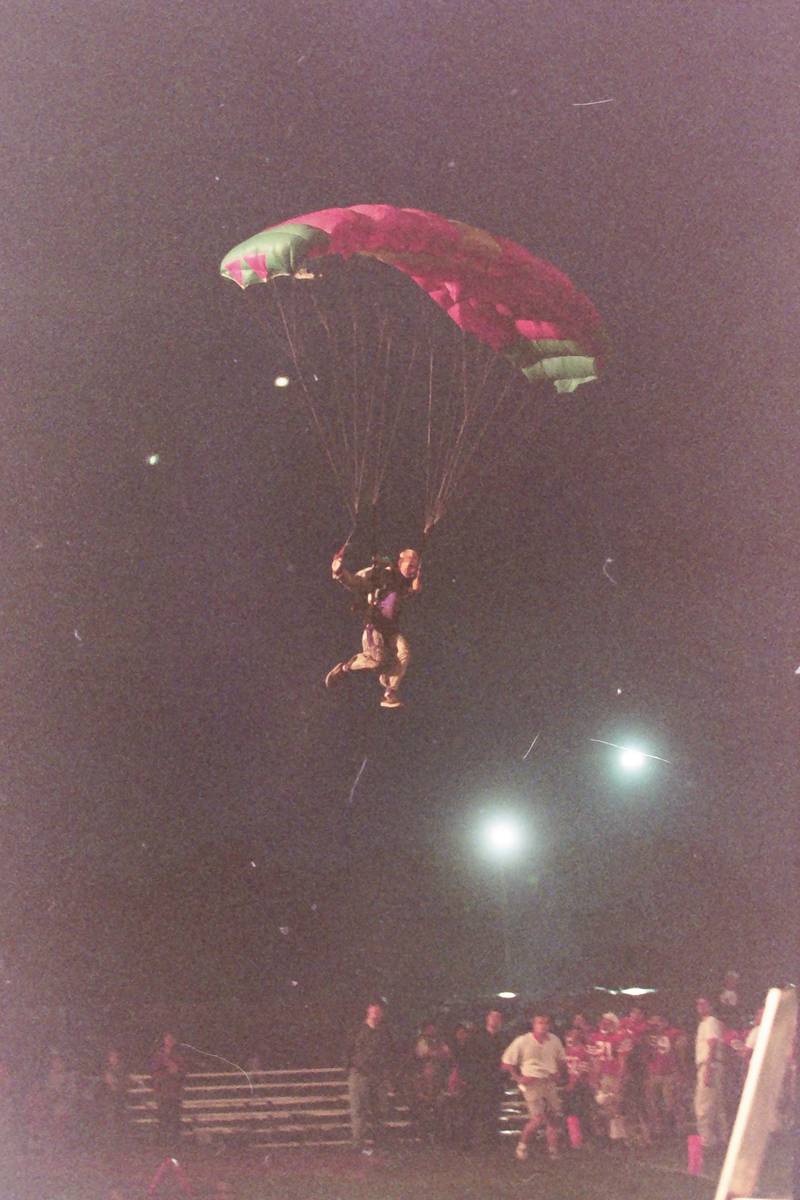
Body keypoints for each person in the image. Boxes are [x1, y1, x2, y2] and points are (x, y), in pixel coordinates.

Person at [324, 545, 421, 708]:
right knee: (377, 661)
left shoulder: (403, 584)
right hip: (374, 626)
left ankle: (389, 692)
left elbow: (411, 590)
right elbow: (357, 582)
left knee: (404, 651)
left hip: (390, 629)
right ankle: (345, 668)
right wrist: (339, 572)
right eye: (410, 566)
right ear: (400, 562)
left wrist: (416, 584)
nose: (412, 570)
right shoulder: (383, 576)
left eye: (415, 568)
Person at [502, 1012, 567, 1162]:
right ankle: (522, 1146)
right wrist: (518, 1077)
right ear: (534, 1024)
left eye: (546, 1023)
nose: (543, 1026)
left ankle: (553, 1151)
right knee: (537, 1118)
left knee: (553, 1118)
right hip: (532, 1082)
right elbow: (507, 1062)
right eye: (540, 1022)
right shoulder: (522, 1041)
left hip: (549, 1081)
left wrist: (558, 1073)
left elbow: (561, 1059)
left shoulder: (554, 1040)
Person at [345, 1001, 395, 1152]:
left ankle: (379, 1142)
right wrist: (352, 1067)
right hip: (360, 1073)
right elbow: (348, 1049)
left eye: (379, 1009)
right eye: (373, 1008)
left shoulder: (384, 1032)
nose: (376, 1012)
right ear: (368, 1010)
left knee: (380, 1110)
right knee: (359, 1109)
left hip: (378, 1075)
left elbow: (389, 1052)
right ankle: (358, 1144)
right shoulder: (357, 1029)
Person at [458, 1009, 508, 1147]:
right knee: (472, 1110)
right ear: (487, 1019)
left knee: (492, 1110)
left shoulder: (502, 1039)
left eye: (498, 1017)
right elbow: (467, 1058)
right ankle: (467, 1140)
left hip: (494, 1080)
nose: (495, 1020)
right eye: (493, 1017)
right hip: (477, 1079)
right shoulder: (476, 1037)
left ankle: (490, 1140)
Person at [694, 995, 728, 1149]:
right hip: (714, 1065)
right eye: (698, 1004)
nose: (700, 1007)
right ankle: (723, 1137)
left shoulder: (710, 1022)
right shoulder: (708, 1023)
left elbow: (712, 1044)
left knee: (704, 1105)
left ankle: (707, 1141)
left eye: (703, 1003)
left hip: (709, 1065)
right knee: (717, 1104)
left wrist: (708, 1068)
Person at [150, 1032, 187, 1149]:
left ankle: (175, 1143)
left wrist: (176, 1072)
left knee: (175, 1119)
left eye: (171, 1039)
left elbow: (183, 1073)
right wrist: (167, 1072)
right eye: (167, 1039)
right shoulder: (159, 1056)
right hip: (163, 1092)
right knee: (163, 1118)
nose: (169, 1041)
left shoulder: (179, 1056)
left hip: (175, 1093)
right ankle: (163, 1143)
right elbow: (155, 1073)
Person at [96, 1047, 130, 1149]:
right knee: (110, 1121)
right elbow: (102, 1086)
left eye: (115, 1057)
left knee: (119, 1121)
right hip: (109, 1099)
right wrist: (107, 1082)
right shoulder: (106, 1070)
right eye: (111, 1056)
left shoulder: (122, 1070)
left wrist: (115, 1084)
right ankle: (110, 1144)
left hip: (120, 1099)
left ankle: (120, 1143)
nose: (113, 1059)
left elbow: (125, 1084)